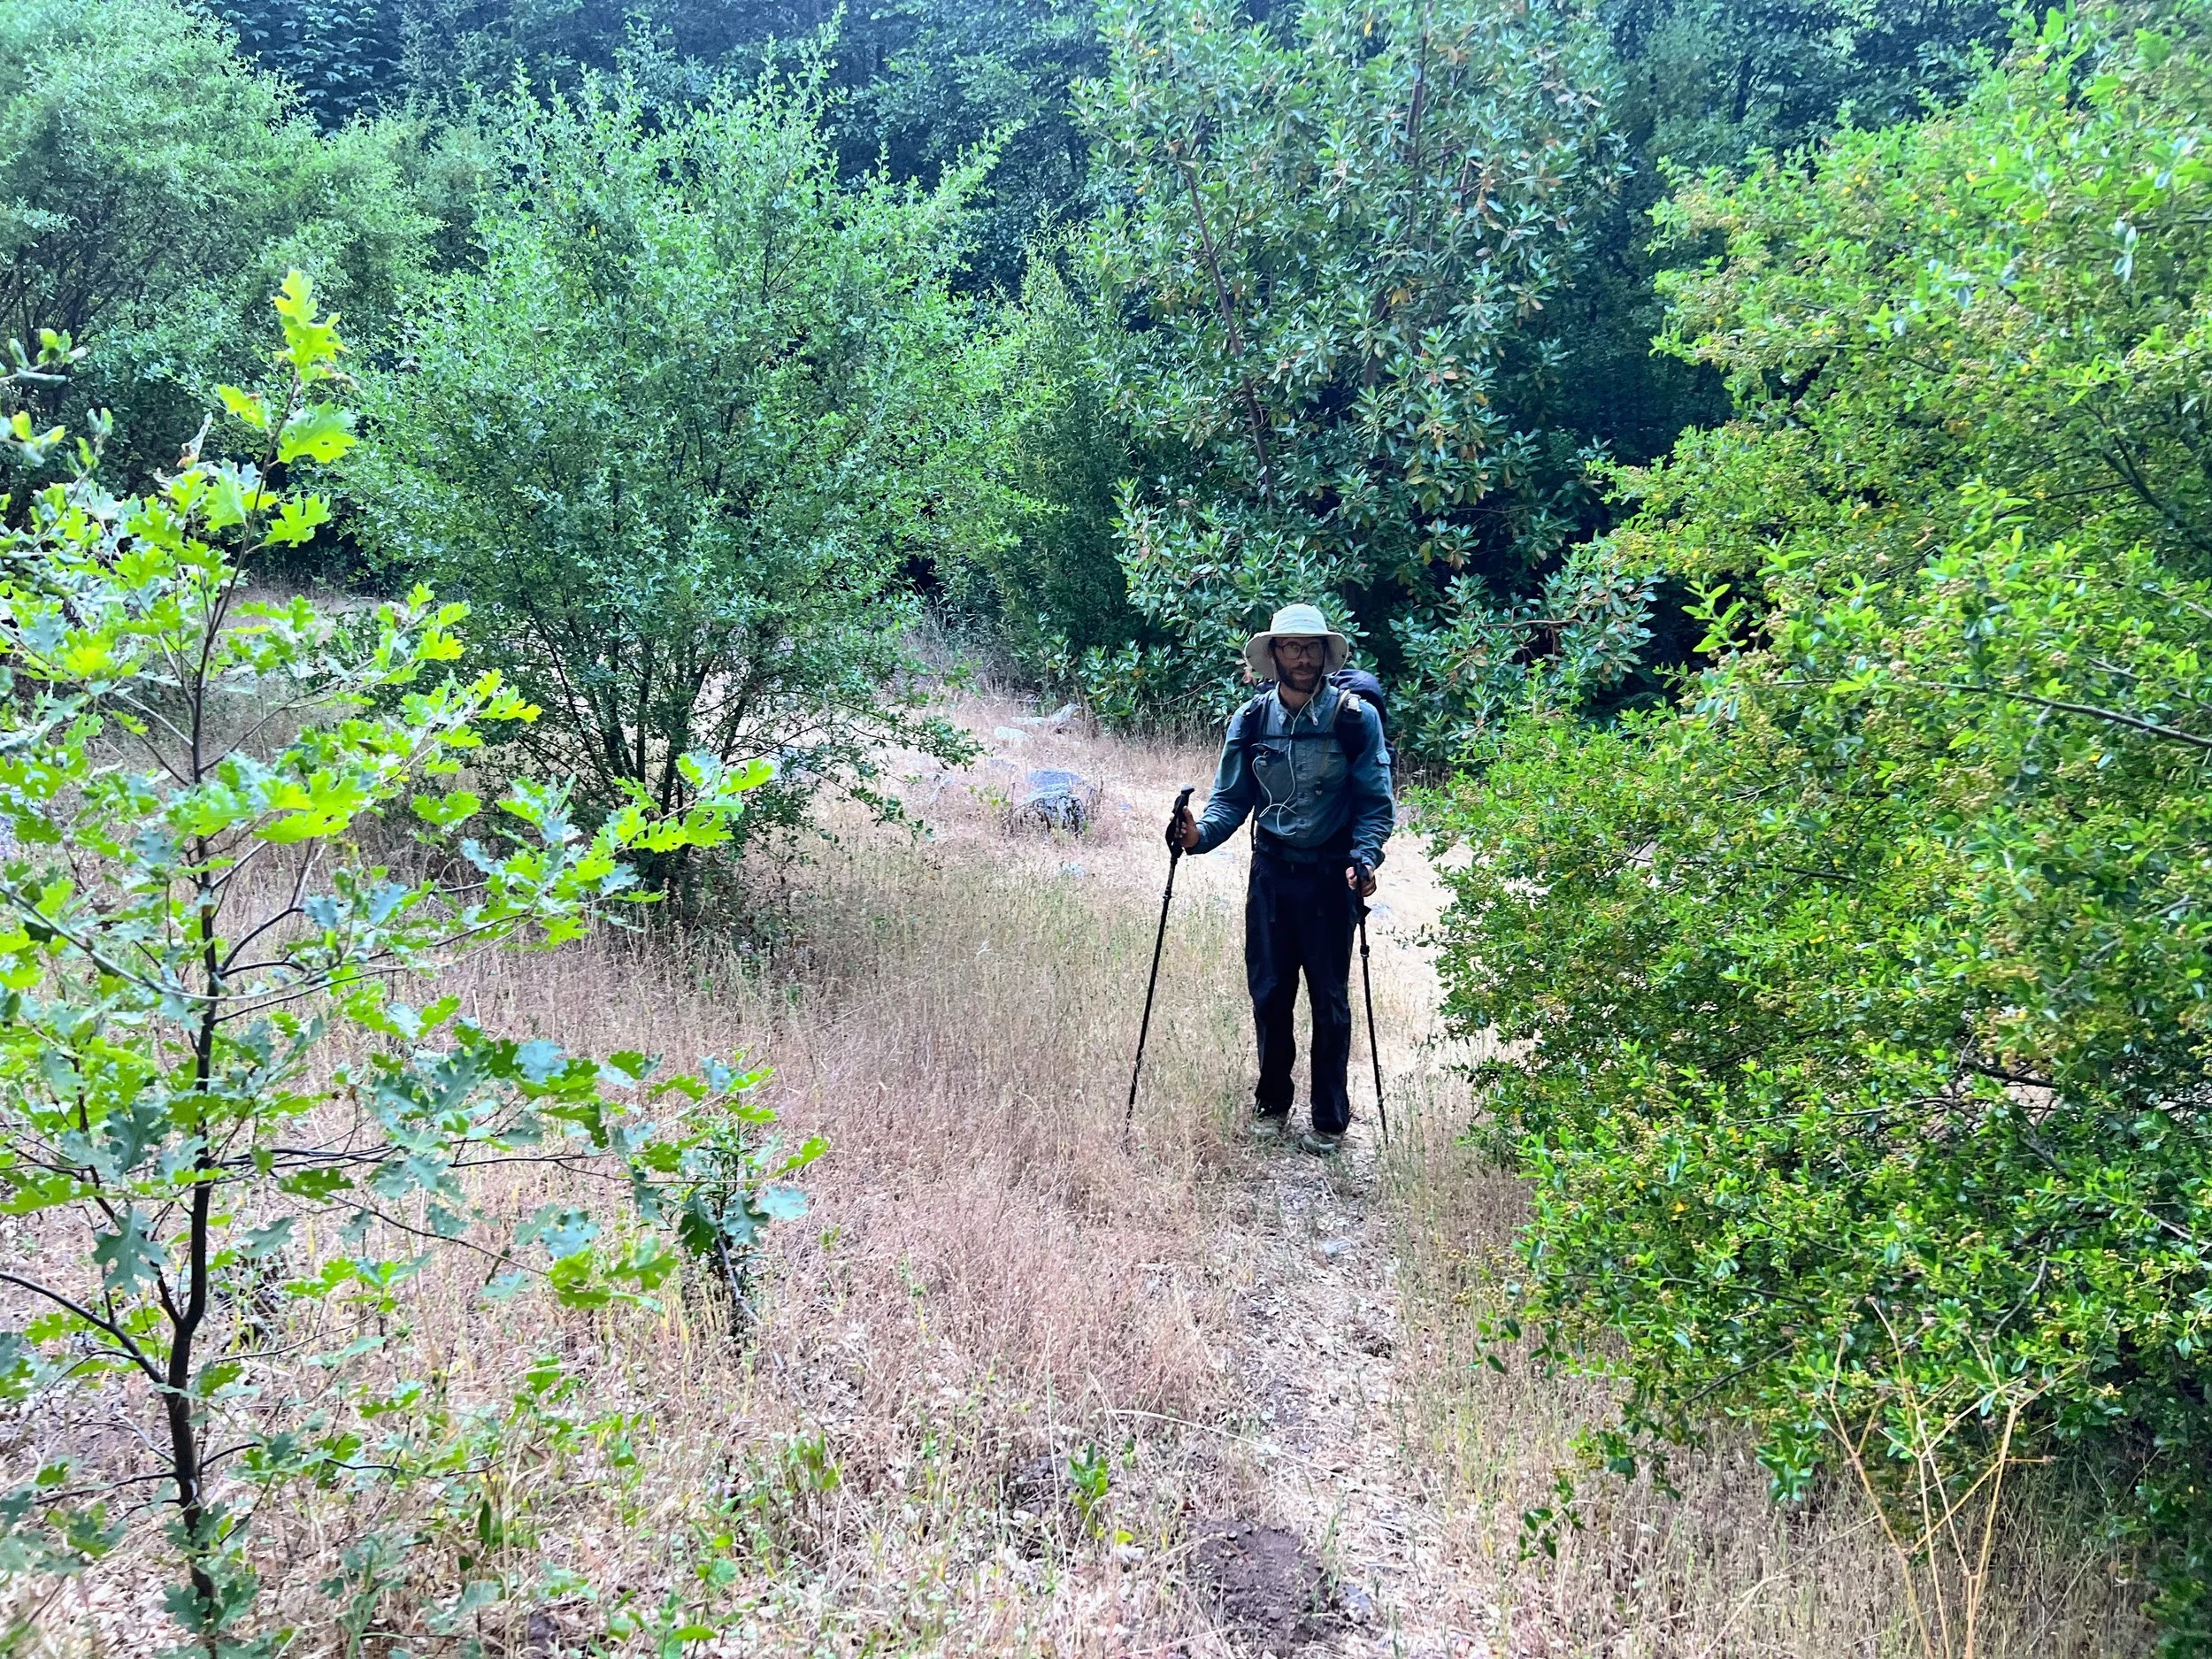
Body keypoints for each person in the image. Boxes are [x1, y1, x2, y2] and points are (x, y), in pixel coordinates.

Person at [1171, 603, 1394, 1156]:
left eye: (1311, 647)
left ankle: (1330, 1120)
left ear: (1325, 653)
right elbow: (1230, 800)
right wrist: (1197, 837)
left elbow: (1375, 802)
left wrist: (1364, 858)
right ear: (1273, 656)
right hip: (1271, 871)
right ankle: (1272, 1104)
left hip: (1330, 874)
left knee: (1330, 999)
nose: (1301, 657)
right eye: (1290, 647)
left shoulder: (1354, 718)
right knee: (1270, 994)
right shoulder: (1249, 721)